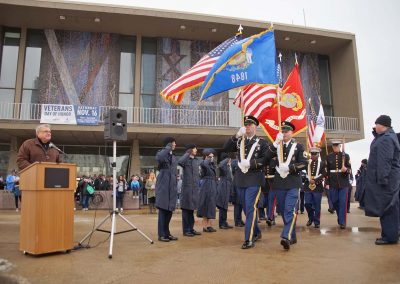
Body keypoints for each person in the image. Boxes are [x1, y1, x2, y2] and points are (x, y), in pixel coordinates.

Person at [224, 115, 270, 249]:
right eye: (246, 124)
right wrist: (236, 135)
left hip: (254, 179)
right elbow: (226, 147)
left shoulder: (262, 143)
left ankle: (248, 239)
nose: (247, 126)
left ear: (255, 127)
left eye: (250, 124)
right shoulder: (240, 141)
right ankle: (256, 231)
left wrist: (251, 163)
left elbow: (265, 160)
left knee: (250, 207)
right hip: (240, 179)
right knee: (246, 209)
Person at [271, 121, 308, 250]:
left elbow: (304, 163)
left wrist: (290, 167)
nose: (284, 133)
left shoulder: (298, 147)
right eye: (282, 131)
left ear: (292, 133)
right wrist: (275, 143)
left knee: (289, 210)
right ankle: (292, 236)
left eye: (287, 131)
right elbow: (268, 160)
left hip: (293, 183)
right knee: (283, 211)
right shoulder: (277, 146)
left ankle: (285, 236)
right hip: (280, 183)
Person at [364, 115, 400, 245]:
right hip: (389, 180)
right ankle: (390, 234)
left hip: (386, 181)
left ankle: (390, 237)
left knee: (388, 208)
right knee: (389, 207)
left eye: (376, 124)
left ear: (383, 125)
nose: (375, 126)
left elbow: (385, 161)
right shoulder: (386, 137)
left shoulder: (386, 139)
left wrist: (383, 180)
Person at [155, 137, 178, 242]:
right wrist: (167, 148)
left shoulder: (173, 157)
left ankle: (167, 233)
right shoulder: (162, 153)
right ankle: (161, 234)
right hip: (164, 185)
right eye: (173, 143)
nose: (175, 145)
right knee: (163, 211)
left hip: (171, 186)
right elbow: (159, 158)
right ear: (168, 144)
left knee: (169, 212)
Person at [325, 139, 352, 229]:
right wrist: (327, 183)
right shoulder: (329, 157)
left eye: (337, 146)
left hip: (343, 182)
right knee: (334, 200)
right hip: (333, 182)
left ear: (340, 146)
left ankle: (342, 222)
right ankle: (339, 216)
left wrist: (346, 169)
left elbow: (350, 170)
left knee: (343, 202)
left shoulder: (346, 156)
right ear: (332, 147)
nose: (335, 147)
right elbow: (327, 171)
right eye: (334, 146)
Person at [178, 144, 202, 237]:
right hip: (187, 189)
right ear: (190, 150)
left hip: (194, 189)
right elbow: (180, 162)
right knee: (186, 210)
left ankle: (191, 229)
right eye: (194, 148)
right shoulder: (185, 159)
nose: (196, 150)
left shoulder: (196, 161)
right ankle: (186, 230)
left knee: (191, 210)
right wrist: (187, 153)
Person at [304, 147, 326, 228]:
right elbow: (303, 173)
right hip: (307, 186)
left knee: (317, 205)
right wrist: (308, 179)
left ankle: (317, 221)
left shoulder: (322, 163)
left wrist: (315, 180)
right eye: (312, 154)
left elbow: (324, 174)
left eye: (315, 154)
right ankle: (311, 218)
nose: (313, 156)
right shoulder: (307, 163)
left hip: (317, 186)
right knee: (307, 204)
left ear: (318, 154)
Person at [197, 148, 218, 233]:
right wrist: (209, 159)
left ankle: (209, 226)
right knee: (205, 205)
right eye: (210, 156)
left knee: (211, 205)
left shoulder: (211, 165)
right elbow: (204, 164)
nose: (212, 158)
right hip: (206, 185)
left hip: (212, 185)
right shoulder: (203, 163)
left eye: (212, 156)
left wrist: (211, 162)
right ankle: (205, 226)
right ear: (206, 156)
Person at [216, 152, 234, 229]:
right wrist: (227, 159)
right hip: (223, 187)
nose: (230, 161)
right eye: (229, 159)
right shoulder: (223, 166)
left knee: (225, 206)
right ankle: (221, 223)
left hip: (227, 187)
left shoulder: (228, 167)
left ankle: (224, 222)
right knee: (222, 206)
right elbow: (220, 165)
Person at [231, 159, 245, 227]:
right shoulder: (235, 162)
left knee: (240, 205)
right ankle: (237, 221)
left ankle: (240, 219)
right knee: (237, 205)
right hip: (236, 187)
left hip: (240, 185)